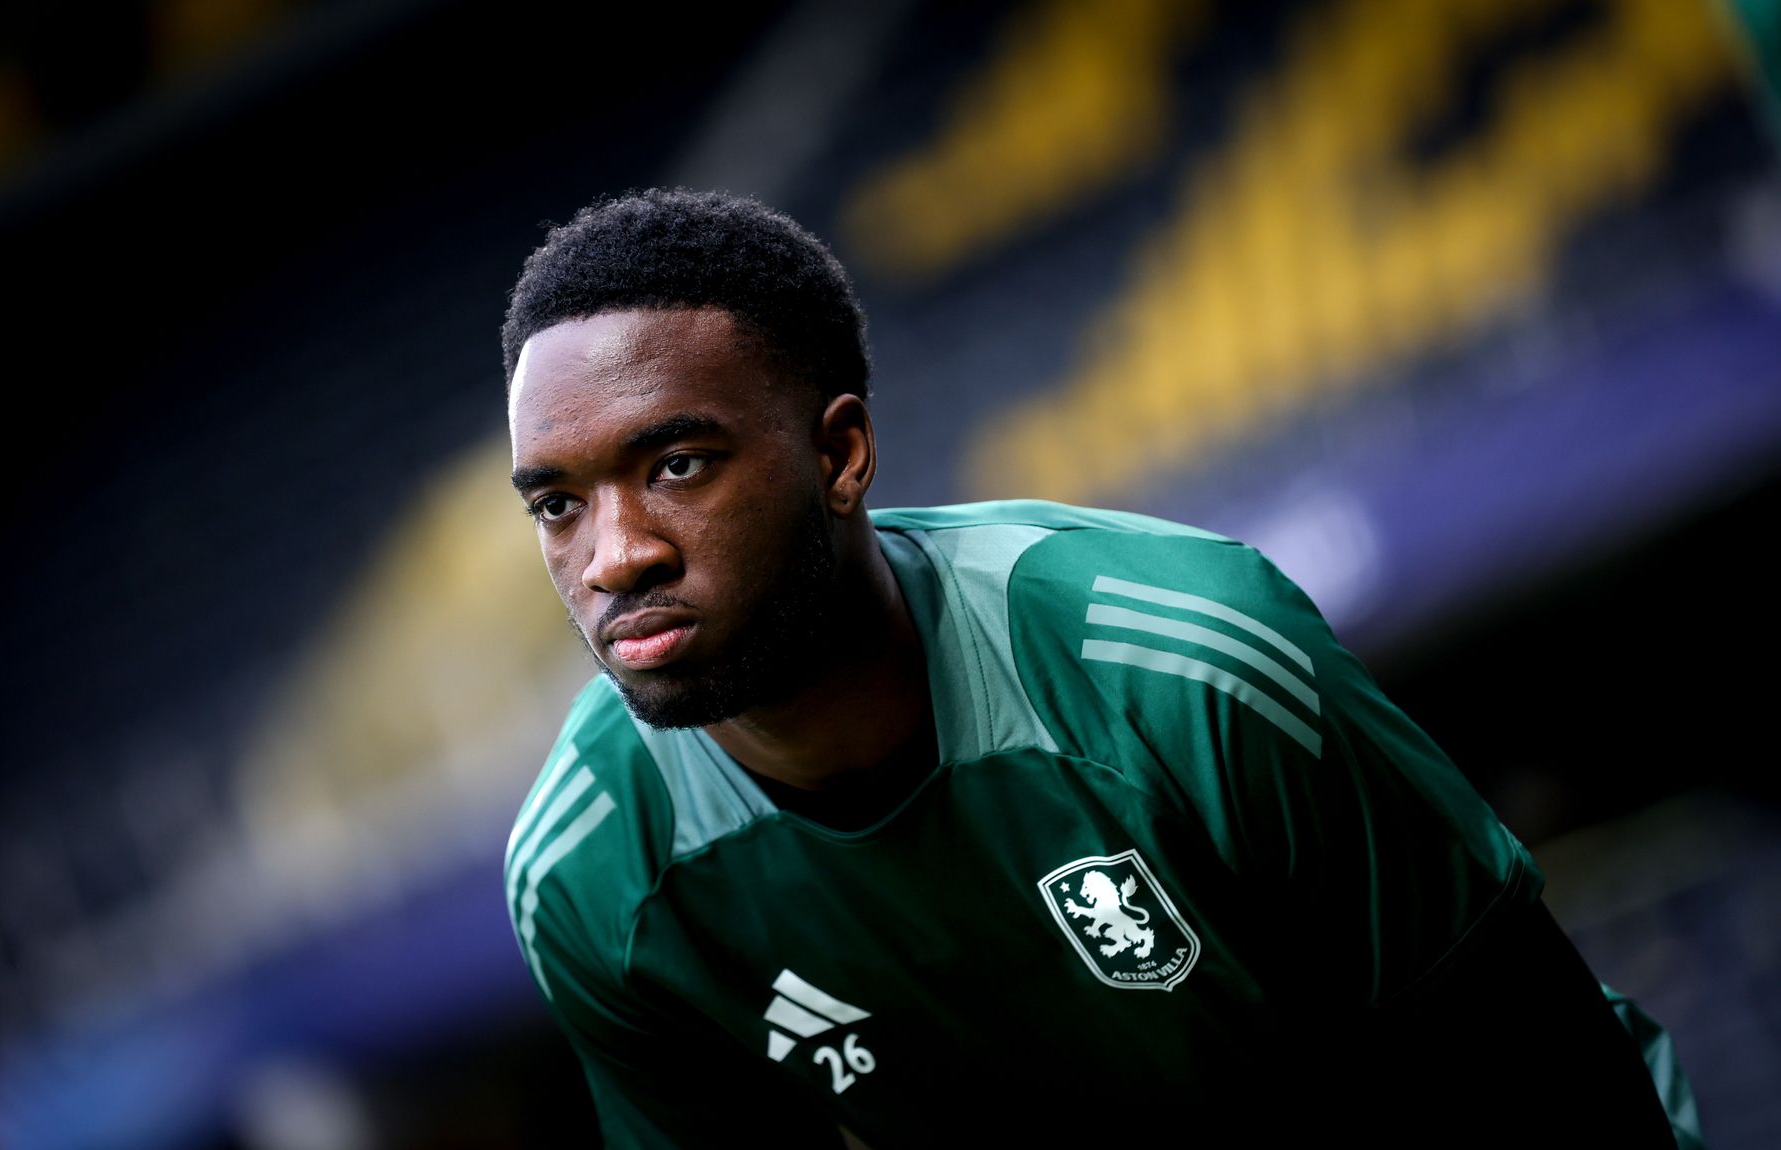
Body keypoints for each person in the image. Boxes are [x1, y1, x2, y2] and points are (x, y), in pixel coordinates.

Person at [498, 188, 1699, 1147]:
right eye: (557, 502)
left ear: (842, 454)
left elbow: (1538, 1077)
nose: (615, 556)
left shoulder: (1187, 671)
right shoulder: (591, 872)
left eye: (680, 467)